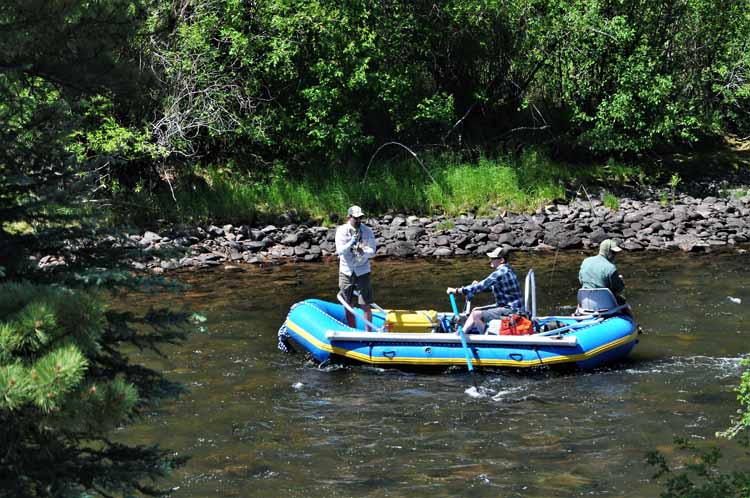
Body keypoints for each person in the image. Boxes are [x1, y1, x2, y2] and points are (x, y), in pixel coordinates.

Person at [446, 246, 523, 334]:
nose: (490, 260)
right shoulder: (508, 269)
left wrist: (457, 291)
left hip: (510, 310)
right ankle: (462, 333)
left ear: (501, 260)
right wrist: (477, 286)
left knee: (476, 314)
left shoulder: (501, 272)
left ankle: (484, 337)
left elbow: (483, 285)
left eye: (493, 258)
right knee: (475, 310)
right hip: (509, 306)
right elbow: (493, 287)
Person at [335, 205, 377, 330]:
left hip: (362, 270)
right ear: (349, 217)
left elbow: (373, 250)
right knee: (347, 303)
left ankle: (368, 333)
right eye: (356, 218)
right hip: (346, 270)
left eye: (360, 218)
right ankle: (353, 330)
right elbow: (339, 251)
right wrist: (350, 243)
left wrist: (363, 251)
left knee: (365, 303)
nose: (359, 220)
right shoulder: (342, 230)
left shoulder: (367, 231)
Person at [578, 239, 625, 304]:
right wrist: (620, 280)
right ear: (607, 251)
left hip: (586, 302)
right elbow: (618, 289)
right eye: (613, 252)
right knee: (623, 301)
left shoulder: (585, 261)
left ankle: (577, 313)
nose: (615, 255)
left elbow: (581, 281)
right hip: (606, 304)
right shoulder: (611, 268)